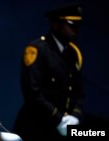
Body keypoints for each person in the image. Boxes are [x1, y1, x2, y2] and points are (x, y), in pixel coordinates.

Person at [13, 3, 85, 141]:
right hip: (35, 127)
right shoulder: (37, 50)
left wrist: (75, 117)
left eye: (77, 25)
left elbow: (78, 93)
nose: (75, 29)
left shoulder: (74, 54)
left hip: (62, 130)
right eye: (71, 24)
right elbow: (33, 93)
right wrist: (58, 119)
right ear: (56, 24)